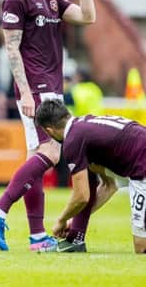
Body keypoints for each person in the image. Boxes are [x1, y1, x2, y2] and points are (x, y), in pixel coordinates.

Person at [0, 0, 96, 252]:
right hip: (36, 89)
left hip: (52, 88)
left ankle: (36, 236)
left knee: (38, 157)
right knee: (52, 153)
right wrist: (26, 93)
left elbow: (87, 17)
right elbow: (12, 48)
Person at [35, 99, 146, 254]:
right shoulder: (85, 126)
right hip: (136, 160)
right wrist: (74, 222)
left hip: (141, 167)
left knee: (142, 248)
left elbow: (81, 196)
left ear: (49, 131)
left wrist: (61, 221)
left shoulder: (73, 141)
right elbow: (109, 186)